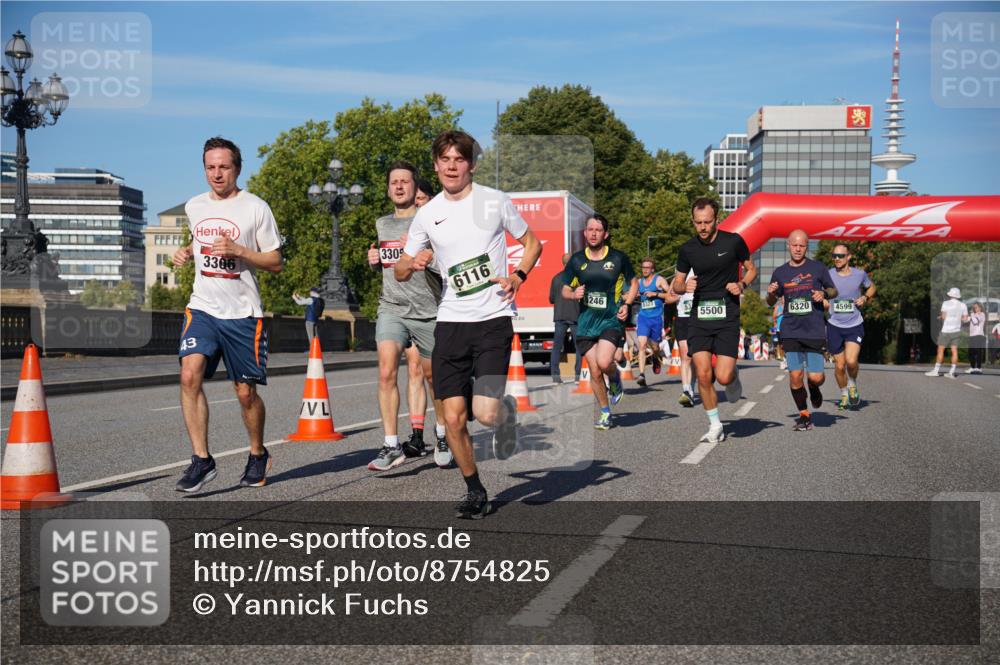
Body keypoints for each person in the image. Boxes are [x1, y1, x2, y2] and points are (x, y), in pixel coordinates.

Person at [396, 130, 541, 519]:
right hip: (451, 322)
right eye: (445, 160)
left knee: (488, 414)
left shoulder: (494, 201)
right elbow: (399, 270)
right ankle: (475, 489)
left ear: (471, 164)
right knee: (454, 418)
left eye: (459, 159)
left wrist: (518, 276)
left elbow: (532, 244)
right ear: (436, 166)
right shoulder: (426, 214)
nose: (451, 166)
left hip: (493, 319)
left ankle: (503, 413)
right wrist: (412, 263)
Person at [172, 137, 282, 492]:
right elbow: (201, 238)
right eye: (210, 167)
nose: (216, 174)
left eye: (224, 167)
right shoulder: (194, 206)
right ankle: (201, 460)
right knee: (190, 375)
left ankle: (257, 453)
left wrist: (239, 250)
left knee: (245, 393)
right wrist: (188, 251)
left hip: (243, 314)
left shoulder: (256, 208)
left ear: (237, 168)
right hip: (202, 307)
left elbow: (275, 261)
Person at [367, 161, 448, 470]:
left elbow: (446, 266)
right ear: (389, 189)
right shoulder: (382, 224)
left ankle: (441, 435)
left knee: (432, 377)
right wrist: (374, 261)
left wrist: (422, 257)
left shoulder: (430, 222)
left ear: (415, 189)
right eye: (393, 182)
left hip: (428, 310)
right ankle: (391, 445)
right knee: (386, 371)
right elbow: (388, 267)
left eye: (405, 182)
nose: (399, 186)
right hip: (391, 307)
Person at [672, 198, 756, 443]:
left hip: (727, 315)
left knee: (723, 376)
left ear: (716, 219)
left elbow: (752, 269)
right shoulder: (688, 249)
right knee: (704, 374)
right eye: (698, 223)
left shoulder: (733, 242)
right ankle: (715, 424)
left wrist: (741, 284)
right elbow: (677, 284)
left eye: (707, 222)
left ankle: (733, 378)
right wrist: (683, 285)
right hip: (699, 315)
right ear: (693, 222)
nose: (703, 227)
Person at [561, 214, 638, 430]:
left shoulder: (618, 258)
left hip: (610, 320)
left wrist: (627, 304)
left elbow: (633, 283)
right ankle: (605, 413)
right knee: (594, 371)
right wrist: (573, 293)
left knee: (605, 363)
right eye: (590, 229)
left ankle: (614, 378)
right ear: (585, 233)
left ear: (605, 234)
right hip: (586, 324)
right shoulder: (577, 261)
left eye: (598, 230)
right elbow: (565, 289)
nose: (593, 233)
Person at [766, 230, 837, 431]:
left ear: (807, 246)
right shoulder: (780, 272)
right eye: (794, 245)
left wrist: (823, 293)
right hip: (790, 329)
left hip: (813, 329)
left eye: (802, 246)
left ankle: (814, 389)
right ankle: (804, 416)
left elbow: (833, 291)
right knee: (795, 376)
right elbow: (770, 301)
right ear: (788, 245)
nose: (797, 249)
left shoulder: (818, 268)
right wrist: (770, 293)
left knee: (815, 377)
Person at [824, 244, 876, 410]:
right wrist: (824, 303)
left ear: (849, 257)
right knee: (840, 366)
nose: (837, 259)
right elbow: (820, 295)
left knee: (851, 362)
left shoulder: (859, 274)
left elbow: (872, 287)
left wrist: (865, 297)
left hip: (854, 324)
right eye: (834, 256)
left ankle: (852, 383)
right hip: (834, 325)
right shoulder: (827, 275)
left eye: (840, 255)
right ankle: (844, 393)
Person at [634, 257, 668, 386]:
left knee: (655, 346)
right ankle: (642, 375)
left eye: (647, 268)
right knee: (642, 345)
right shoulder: (639, 282)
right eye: (643, 267)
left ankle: (655, 356)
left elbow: (670, 294)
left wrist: (656, 294)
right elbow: (629, 294)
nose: (645, 270)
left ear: (652, 269)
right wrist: (634, 295)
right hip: (643, 317)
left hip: (656, 318)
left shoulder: (659, 280)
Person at [549, 252, 581, 383]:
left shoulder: (556, 278)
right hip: (575, 315)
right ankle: (578, 376)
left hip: (559, 316)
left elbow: (551, 299)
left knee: (557, 347)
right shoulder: (578, 278)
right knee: (578, 346)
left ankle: (556, 377)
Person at [666, 270, 696, 405]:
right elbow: (668, 298)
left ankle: (691, 387)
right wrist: (678, 295)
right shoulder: (679, 276)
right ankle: (686, 390)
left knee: (696, 358)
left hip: (698, 318)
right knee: (686, 356)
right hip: (682, 319)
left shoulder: (702, 269)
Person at [925, 288, 969, 378]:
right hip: (956, 330)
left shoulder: (946, 303)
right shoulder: (963, 305)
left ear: (950, 295)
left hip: (946, 331)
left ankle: (936, 371)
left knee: (940, 350)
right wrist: (958, 318)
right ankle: (951, 372)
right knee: (954, 351)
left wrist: (940, 317)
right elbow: (965, 319)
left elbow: (944, 317)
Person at [966, 301, 986, 374]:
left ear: (980, 308)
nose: (974, 309)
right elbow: (965, 320)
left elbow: (975, 322)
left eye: (976, 307)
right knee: (970, 352)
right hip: (971, 336)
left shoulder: (982, 314)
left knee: (978, 352)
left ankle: (979, 368)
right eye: (974, 307)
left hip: (979, 335)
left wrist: (971, 315)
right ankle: (972, 367)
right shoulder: (973, 315)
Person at [771, 299, 786, 369]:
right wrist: (780, 314)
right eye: (783, 298)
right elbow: (773, 317)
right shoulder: (778, 307)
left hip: (788, 328)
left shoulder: (790, 306)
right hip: (778, 328)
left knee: (786, 345)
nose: (784, 299)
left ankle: (787, 359)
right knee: (779, 344)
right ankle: (782, 360)